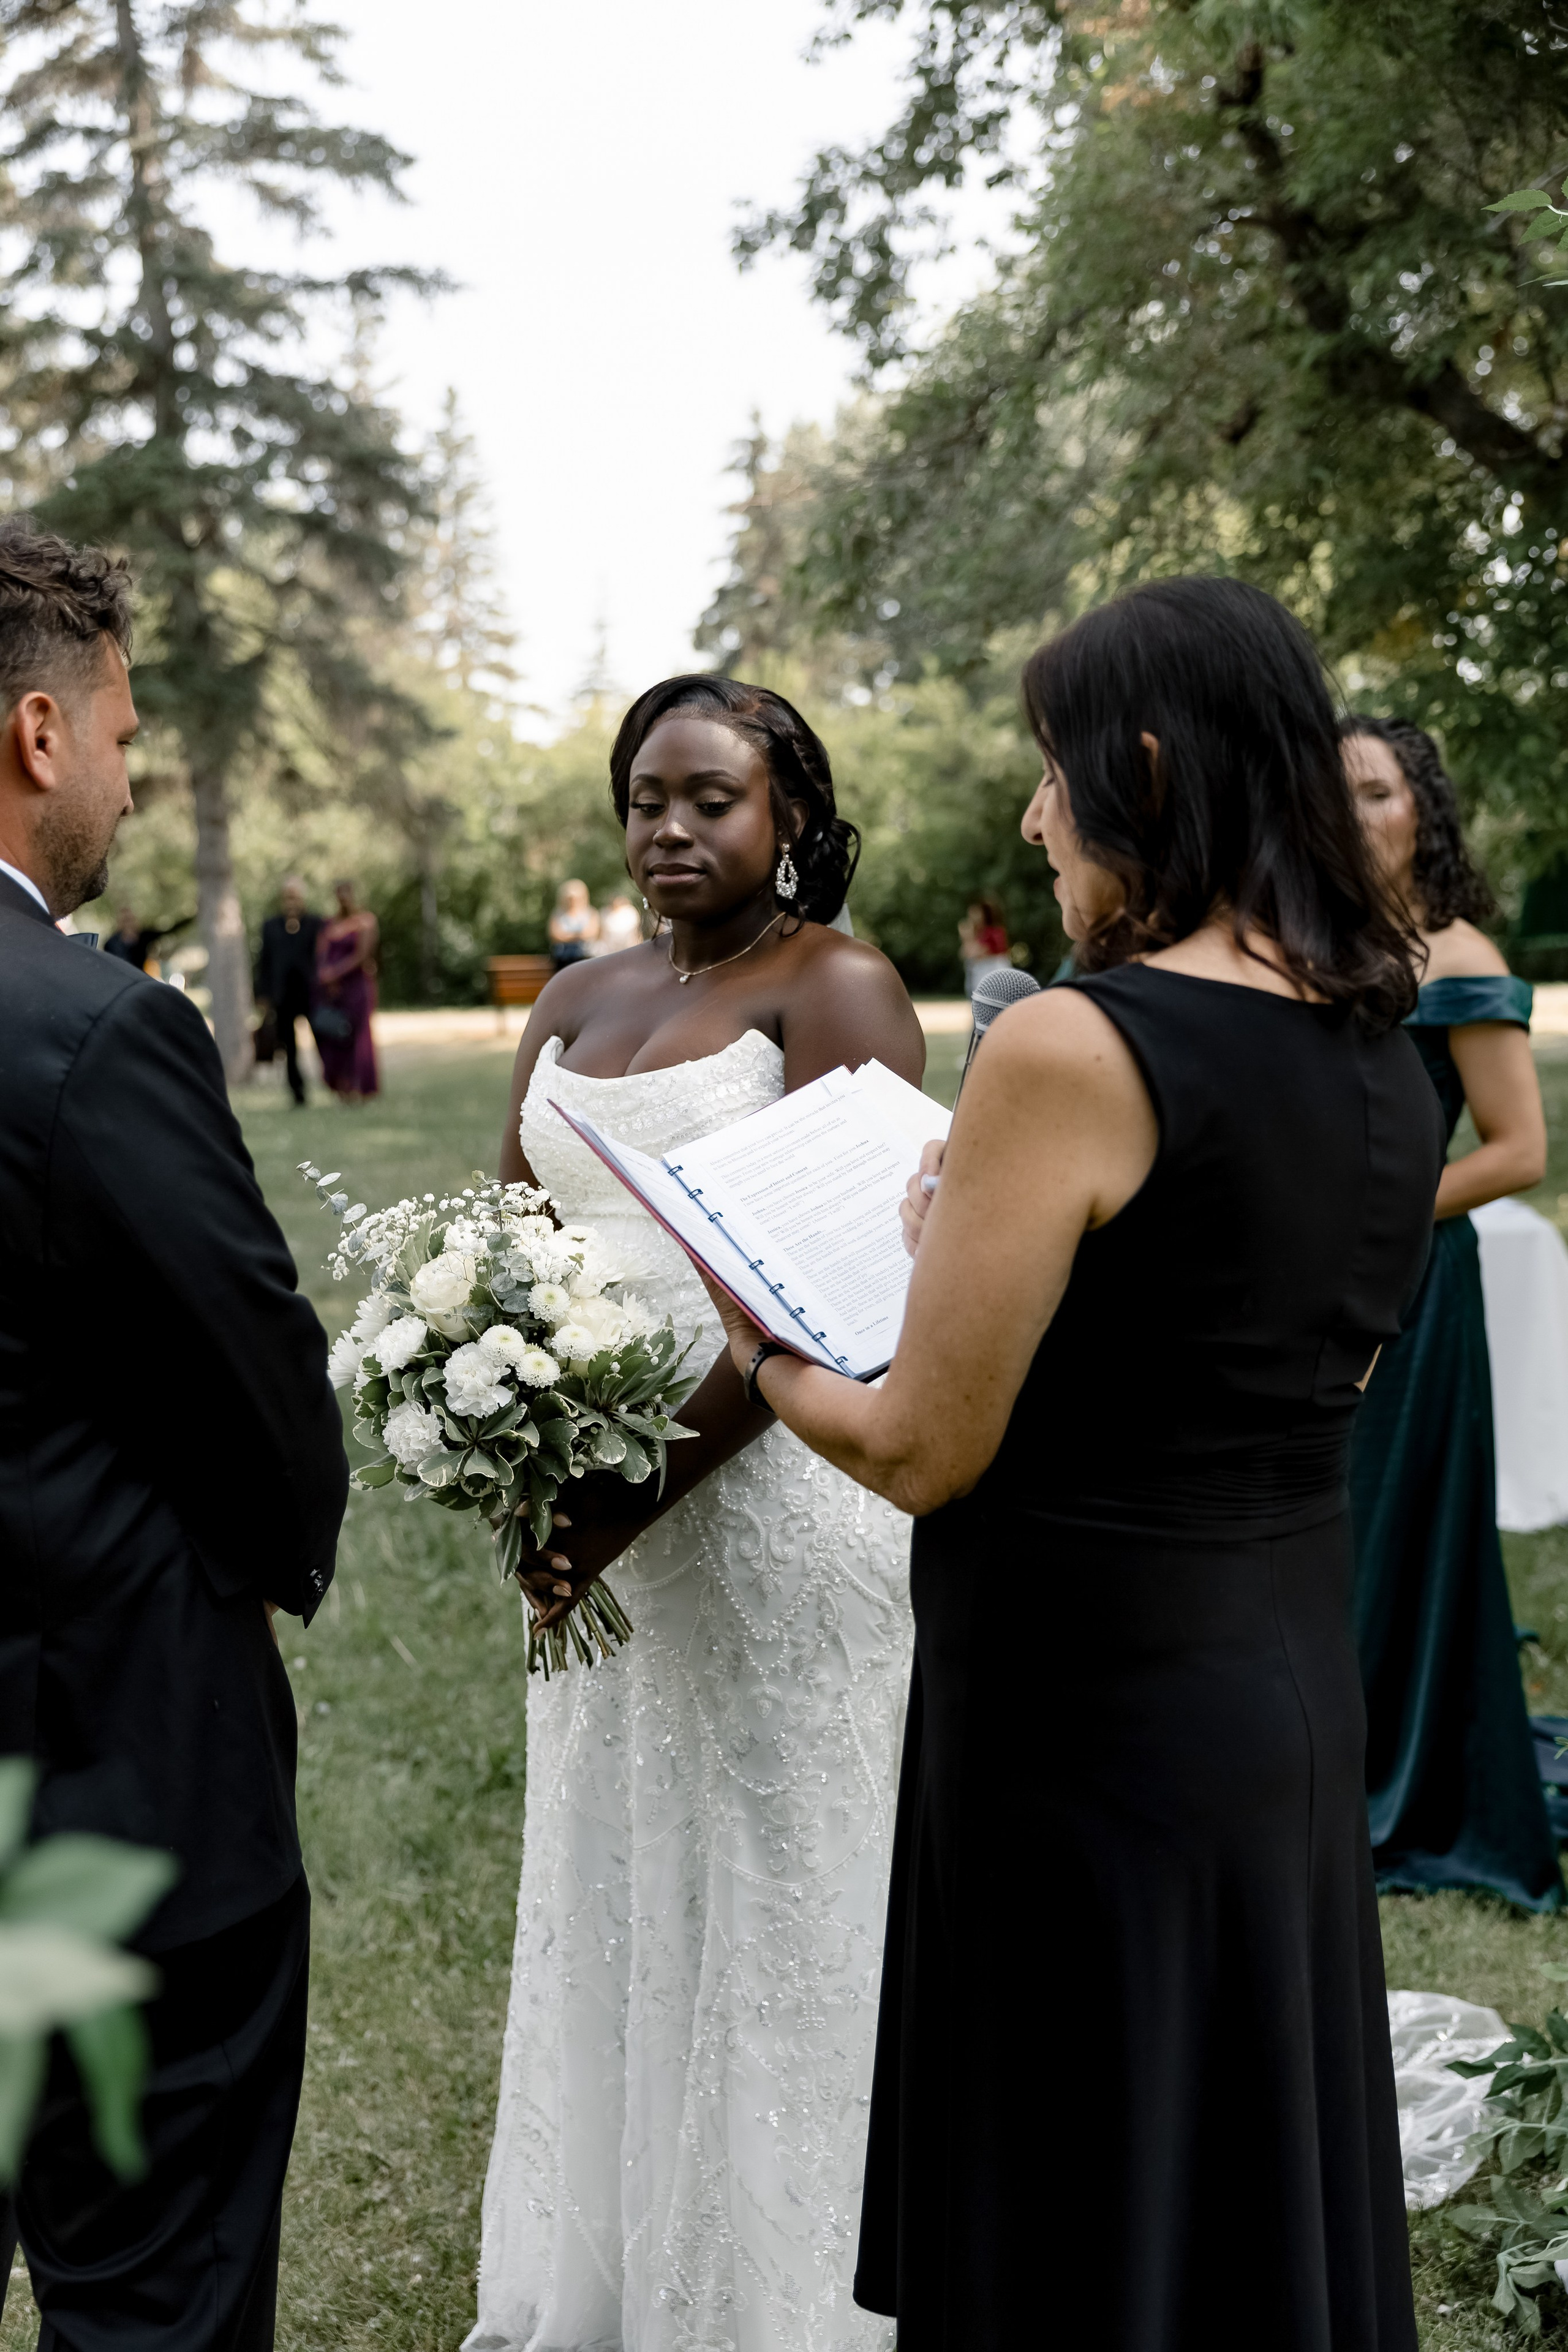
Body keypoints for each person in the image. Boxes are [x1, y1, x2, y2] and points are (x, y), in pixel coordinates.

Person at [692, 581, 1444, 2350]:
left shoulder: (1071, 1040)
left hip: (1081, 1722)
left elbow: (918, 1448)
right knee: (1230, 2196)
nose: (1035, 815)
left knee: (1079, 2199)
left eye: (1051, 769)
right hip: (1277, 1695)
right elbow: (1239, 1345)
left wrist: (758, 1334)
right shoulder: (1378, 1040)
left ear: (1147, 767)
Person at [468, 675, 925, 2352]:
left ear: (790, 815)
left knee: (788, 1881)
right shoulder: (573, 1002)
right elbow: (508, 1253)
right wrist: (521, 1468)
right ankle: (620, 2268)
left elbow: (827, 1294)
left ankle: (797, 2298)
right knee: (621, 1876)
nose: (670, 827)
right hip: (593, 1515)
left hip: (778, 1503)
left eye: (710, 798)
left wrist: (626, 1497)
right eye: (645, 797)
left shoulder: (841, 989)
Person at [0, 516, 347, 2347]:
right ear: (40, 734)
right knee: (154, 2284)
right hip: (96, 1775)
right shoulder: (86, 1028)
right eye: (126, 737)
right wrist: (284, 1556)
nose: (130, 780)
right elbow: (252, 1379)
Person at [1341, 716, 1558, 1910]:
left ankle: (1406, 1784)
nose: (1353, 814)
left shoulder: (1456, 950)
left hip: (1416, 1288)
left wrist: (1381, 1212)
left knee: (1396, 1527)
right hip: (1309, 1284)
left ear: (1419, 808)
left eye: (1374, 792)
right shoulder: (1300, 944)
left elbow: (1518, 1150)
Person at [256, 877, 323, 1106]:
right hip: (282, 996)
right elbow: (264, 962)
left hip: (310, 994)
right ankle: (298, 1093)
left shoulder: (316, 923)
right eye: (288, 896)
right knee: (289, 1047)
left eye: (295, 896)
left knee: (322, 1039)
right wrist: (263, 995)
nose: (291, 901)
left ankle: (334, 1081)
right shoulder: (271, 925)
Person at [312, 878, 379, 1102]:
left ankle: (362, 1086)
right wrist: (325, 976)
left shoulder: (365, 922)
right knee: (334, 1034)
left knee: (358, 1034)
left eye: (346, 892)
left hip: (357, 986)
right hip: (332, 990)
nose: (343, 897)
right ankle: (341, 1086)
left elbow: (362, 955)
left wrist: (336, 973)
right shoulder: (329, 924)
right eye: (339, 893)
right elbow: (320, 953)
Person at [102, 902, 195, 973]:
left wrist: (192, 917)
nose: (128, 923)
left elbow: (170, 931)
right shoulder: (111, 943)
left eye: (130, 919)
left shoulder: (144, 936)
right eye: (125, 920)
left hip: (139, 978)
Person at [957, 892, 1009, 997]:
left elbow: (975, 954)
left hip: (992, 971)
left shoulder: (992, 932)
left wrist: (967, 937)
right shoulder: (978, 934)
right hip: (979, 973)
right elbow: (963, 955)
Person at [547, 874, 600, 970]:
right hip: (563, 958)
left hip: (585, 956)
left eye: (576, 898)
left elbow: (592, 933)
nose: (573, 901)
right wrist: (578, 936)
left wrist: (567, 936)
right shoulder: (558, 913)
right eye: (570, 898)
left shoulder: (591, 913)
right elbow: (555, 935)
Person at [595, 884, 643, 953]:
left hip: (629, 946)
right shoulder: (605, 913)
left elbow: (637, 931)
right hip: (610, 949)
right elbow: (602, 932)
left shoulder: (630, 911)